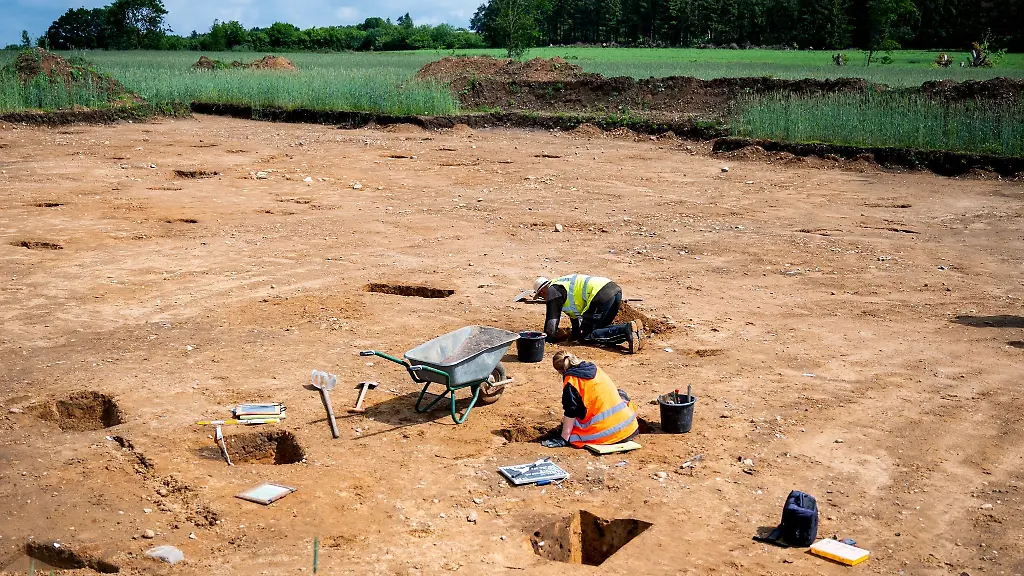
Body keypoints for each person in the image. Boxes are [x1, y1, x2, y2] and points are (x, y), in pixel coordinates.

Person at [541, 350, 640, 448]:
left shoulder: (571, 382)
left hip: (607, 435)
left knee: (574, 429)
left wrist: (564, 438)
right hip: (630, 427)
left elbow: (571, 411)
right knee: (620, 394)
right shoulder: (594, 368)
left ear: (560, 371)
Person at [532, 274, 644, 353]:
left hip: (600, 296)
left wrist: (548, 338)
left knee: (585, 337)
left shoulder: (553, 291)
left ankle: (626, 329)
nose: (544, 299)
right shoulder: (562, 284)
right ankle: (634, 333)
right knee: (600, 330)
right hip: (613, 289)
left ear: (542, 291)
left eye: (541, 296)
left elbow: (551, 324)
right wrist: (575, 333)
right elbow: (575, 319)